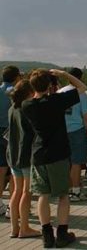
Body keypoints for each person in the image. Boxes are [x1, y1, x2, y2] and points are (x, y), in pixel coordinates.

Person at [22, 69, 87, 248]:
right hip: (57, 154)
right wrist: (64, 74)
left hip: (38, 154)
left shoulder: (27, 105)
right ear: (50, 85)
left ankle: (47, 234)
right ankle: (62, 234)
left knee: (43, 194)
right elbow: (82, 87)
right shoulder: (56, 101)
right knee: (63, 195)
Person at [6, 79, 40, 238]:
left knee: (17, 191)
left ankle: (15, 228)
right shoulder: (27, 109)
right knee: (27, 192)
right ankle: (25, 227)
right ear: (29, 92)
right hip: (26, 154)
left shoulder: (12, 108)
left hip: (13, 153)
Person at [57, 67, 87, 201]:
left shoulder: (60, 92)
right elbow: (86, 116)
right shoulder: (82, 94)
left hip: (62, 130)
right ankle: (75, 191)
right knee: (76, 162)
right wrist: (86, 130)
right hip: (77, 130)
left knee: (66, 162)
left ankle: (68, 189)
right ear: (80, 78)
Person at [0, 65, 22, 217]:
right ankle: (11, 207)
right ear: (16, 77)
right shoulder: (14, 93)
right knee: (14, 170)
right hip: (11, 133)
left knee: (0, 169)